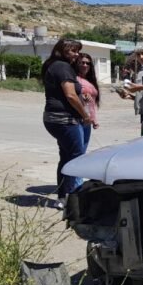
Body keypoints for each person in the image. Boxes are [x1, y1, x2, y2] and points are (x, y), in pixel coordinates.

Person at [41, 39, 93, 208]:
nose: (76, 54)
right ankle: (73, 198)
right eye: (72, 51)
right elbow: (70, 95)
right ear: (61, 51)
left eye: (77, 51)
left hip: (54, 118)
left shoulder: (53, 65)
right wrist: (85, 115)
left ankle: (63, 197)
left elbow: (67, 94)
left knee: (66, 157)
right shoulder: (63, 67)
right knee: (76, 158)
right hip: (65, 119)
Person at [76, 52, 100, 150]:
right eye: (82, 62)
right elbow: (70, 95)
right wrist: (81, 95)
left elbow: (92, 103)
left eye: (87, 63)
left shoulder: (90, 81)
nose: (85, 65)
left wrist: (94, 120)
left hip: (87, 121)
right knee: (78, 151)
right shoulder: (74, 78)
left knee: (83, 150)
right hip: (77, 119)